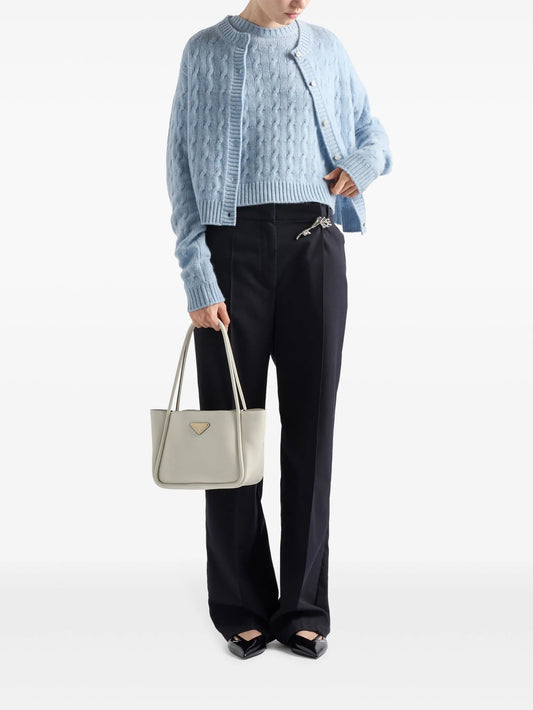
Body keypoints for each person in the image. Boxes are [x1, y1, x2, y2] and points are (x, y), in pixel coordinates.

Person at [165, 0, 392, 659]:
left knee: (312, 431)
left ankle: (303, 606)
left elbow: (373, 134)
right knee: (230, 431)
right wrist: (196, 276)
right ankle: (240, 602)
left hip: (313, 247)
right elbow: (180, 166)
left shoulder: (325, 46)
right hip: (230, 253)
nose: (301, 2)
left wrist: (360, 168)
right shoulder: (205, 51)